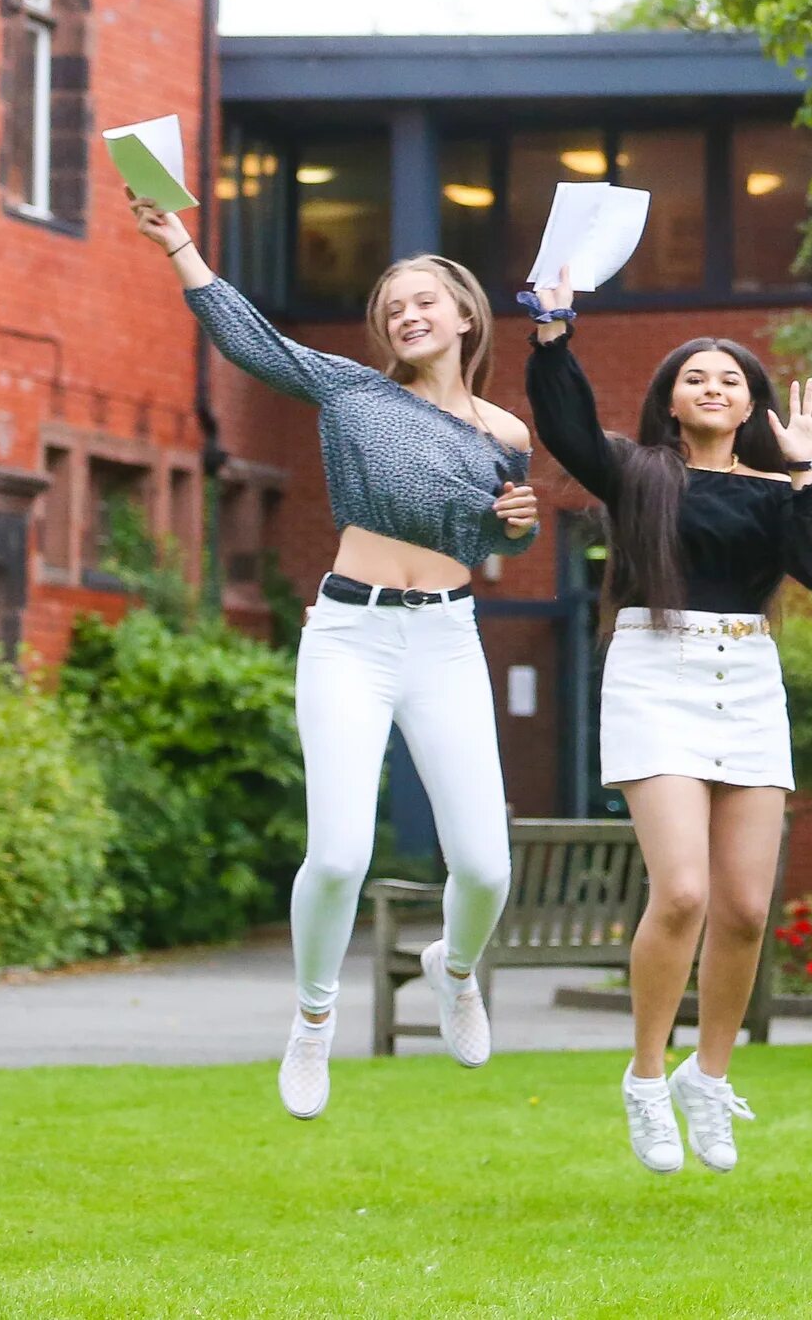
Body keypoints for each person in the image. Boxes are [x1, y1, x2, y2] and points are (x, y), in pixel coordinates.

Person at [130, 197, 537, 1120]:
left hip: (446, 638)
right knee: (340, 853)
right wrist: (182, 247)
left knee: (483, 868)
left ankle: (454, 967)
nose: (407, 315)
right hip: (350, 635)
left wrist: (519, 521)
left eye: (424, 300)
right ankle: (313, 1021)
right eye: (393, 305)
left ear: (465, 315)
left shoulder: (507, 434)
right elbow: (252, 343)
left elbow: (497, 540)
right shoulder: (355, 392)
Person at [526, 278, 812, 1174]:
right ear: (671, 397)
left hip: (747, 677)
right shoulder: (639, 473)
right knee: (684, 894)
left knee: (745, 907)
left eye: (732, 379)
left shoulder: (778, 489)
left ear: (753, 403)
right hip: (654, 670)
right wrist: (553, 337)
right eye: (697, 378)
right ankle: (644, 1076)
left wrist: (806, 473)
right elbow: (567, 430)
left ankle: (709, 1078)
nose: (715, 388)